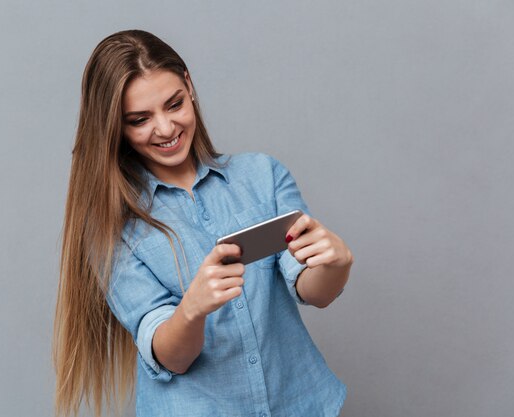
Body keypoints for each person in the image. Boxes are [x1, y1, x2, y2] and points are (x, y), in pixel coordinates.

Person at [53, 29, 353, 417]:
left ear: (189, 86)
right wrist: (192, 309)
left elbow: (315, 292)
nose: (165, 128)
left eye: (174, 104)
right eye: (140, 119)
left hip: (302, 403)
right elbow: (172, 357)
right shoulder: (111, 230)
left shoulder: (262, 175)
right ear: (115, 128)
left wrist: (338, 262)